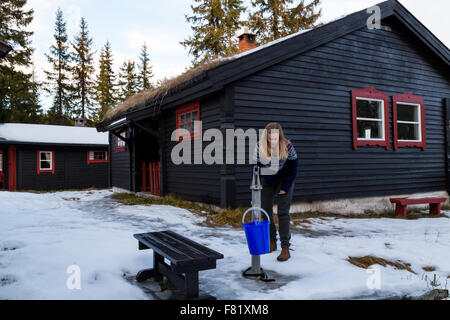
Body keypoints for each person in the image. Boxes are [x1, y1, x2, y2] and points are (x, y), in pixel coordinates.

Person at [253, 122, 298, 262]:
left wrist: (285, 186)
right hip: (267, 181)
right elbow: (256, 169)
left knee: (283, 213)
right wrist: (255, 191)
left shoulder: (287, 146)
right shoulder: (258, 147)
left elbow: (293, 166)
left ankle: (285, 247)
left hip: (284, 180)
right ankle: (272, 241)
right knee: (265, 211)